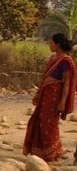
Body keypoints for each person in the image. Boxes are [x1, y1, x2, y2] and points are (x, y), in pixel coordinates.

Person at [23, 33, 76, 163]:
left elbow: (67, 83)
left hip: (54, 98)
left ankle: (51, 153)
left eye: (51, 43)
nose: (49, 45)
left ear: (58, 45)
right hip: (45, 96)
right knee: (39, 121)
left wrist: (63, 102)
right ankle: (39, 152)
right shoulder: (53, 58)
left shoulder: (65, 61)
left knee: (50, 124)